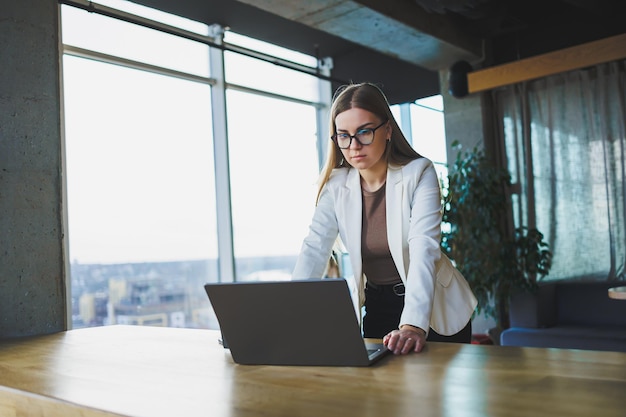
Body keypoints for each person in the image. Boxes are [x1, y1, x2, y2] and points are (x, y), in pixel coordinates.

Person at [292, 82, 477, 355]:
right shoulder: (336, 185)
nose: (353, 146)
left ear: (387, 130)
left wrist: (413, 325)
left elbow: (424, 248)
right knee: (379, 396)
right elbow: (314, 248)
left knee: (431, 396)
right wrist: (285, 313)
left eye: (364, 132)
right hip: (378, 303)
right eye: (343, 135)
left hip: (434, 305)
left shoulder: (419, 173)